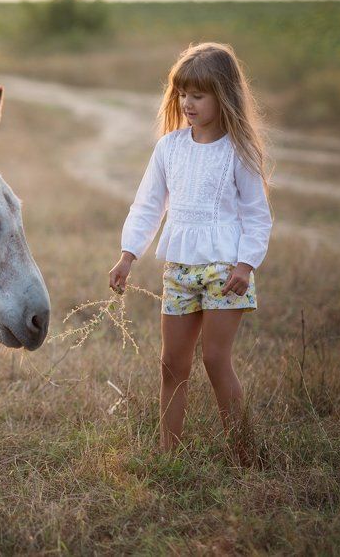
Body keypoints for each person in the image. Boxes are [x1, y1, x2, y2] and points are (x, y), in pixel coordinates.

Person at [108, 42, 272, 458]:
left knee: (216, 360)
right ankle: (169, 453)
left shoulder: (239, 151)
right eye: (182, 94)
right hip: (179, 270)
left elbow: (257, 216)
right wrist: (128, 255)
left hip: (225, 271)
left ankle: (245, 453)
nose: (187, 103)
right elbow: (147, 206)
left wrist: (246, 264)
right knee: (171, 365)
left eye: (198, 95)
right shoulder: (169, 148)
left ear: (224, 96)